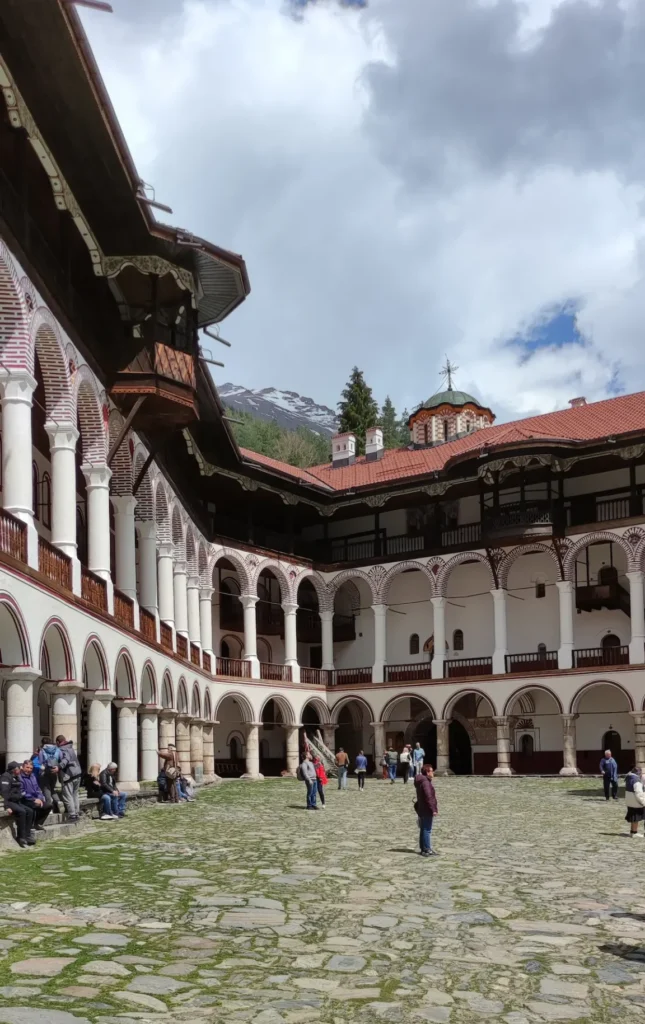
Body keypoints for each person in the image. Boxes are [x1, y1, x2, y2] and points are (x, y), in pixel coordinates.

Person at [1, 762, 35, 847]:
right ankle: (21, 837)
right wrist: (6, 806)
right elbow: (4, 793)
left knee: (30, 811)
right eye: (18, 768)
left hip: (17, 801)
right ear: (13, 769)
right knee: (22, 812)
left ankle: (27, 835)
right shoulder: (5, 777)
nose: (20, 770)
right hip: (10, 802)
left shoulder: (15, 777)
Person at [414, 764, 439, 857]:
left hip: (421, 808)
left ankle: (423, 848)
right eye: (432, 771)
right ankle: (427, 849)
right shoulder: (426, 783)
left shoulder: (421, 781)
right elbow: (429, 797)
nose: (433, 773)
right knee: (427, 829)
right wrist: (433, 809)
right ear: (427, 772)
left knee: (423, 829)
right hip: (426, 809)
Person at [56, 735, 82, 822]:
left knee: (68, 795)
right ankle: (77, 812)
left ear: (58, 742)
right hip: (77, 774)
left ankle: (72, 815)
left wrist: (59, 767)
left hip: (69, 775)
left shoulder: (62, 749)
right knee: (75, 794)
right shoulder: (70, 748)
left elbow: (66, 759)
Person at [20, 760, 48, 831]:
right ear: (23, 767)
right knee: (36, 805)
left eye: (31, 768)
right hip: (25, 799)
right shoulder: (20, 778)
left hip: (35, 798)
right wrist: (34, 799)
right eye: (27, 767)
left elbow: (37, 789)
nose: (29, 770)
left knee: (48, 805)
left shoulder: (33, 776)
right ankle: (30, 825)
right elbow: (22, 792)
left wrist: (40, 798)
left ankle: (38, 823)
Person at [38, 737, 61, 813]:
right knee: (52, 789)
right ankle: (58, 802)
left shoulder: (42, 750)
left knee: (46, 790)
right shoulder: (57, 749)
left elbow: (40, 762)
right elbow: (61, 758)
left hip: (46, 772)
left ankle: (49, 806)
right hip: (54, 771)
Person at [625, 766, 645, 836]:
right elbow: (639, 793)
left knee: (633, 817)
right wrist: (643, 802)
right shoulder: (636, 781)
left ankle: (632, 831)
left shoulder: (629, 778)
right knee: (635, 818)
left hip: (629, 800)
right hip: (635, 801)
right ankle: (634, 832)